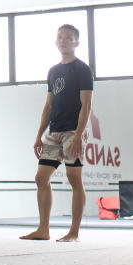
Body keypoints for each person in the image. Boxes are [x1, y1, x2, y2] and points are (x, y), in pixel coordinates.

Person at [21, 23, 93, 242]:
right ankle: (43, 229)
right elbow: (48, 106)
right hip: (54, 131)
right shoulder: (53, 71)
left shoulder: (82, 69)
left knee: (74, 178)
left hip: (73, 130)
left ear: (76, 43)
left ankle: (74, 232)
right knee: (41, 178)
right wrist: (38, 135)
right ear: (56, 41)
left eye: (69, 38)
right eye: (60, 37)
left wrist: (79, 134)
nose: (64, 41)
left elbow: (86, 105)